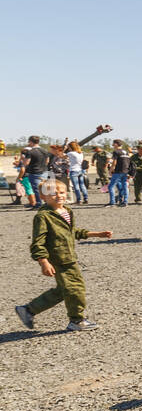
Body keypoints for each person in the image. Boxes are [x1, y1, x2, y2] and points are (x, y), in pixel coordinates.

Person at [14, 179, 111, 332]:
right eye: (53, 193)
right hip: (59, 259)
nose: (58, 196)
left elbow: (72, 232)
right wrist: (44, 262)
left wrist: (96, 234)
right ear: (43, 196)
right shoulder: (43, 216)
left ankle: (28, 310)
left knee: (64, 289)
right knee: (75, 288)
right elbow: (38, 242)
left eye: (61, 192)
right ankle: (76, 320)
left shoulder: (66, 211)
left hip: (69, 256)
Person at [17, 136, 50, 209]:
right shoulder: (44, 150)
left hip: (34, 172)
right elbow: (47, 161)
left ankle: (38, 204)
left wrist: (23, 161)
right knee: (44, 188)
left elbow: (26, 163)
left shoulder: (30, 151)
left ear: (31, 142)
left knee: (36, 189)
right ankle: (47, 203)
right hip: (44, 171)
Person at [107, 138, 130, 207]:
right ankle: (125, 202)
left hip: (118, 171)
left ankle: (112, 202)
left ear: (116, 144)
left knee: (111, 186)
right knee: (125, 186)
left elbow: (114, 162)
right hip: (125, 171)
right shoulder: (126, 152)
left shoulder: (116, 152)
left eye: (113, 144)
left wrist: (111, 170)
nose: (113, 145)